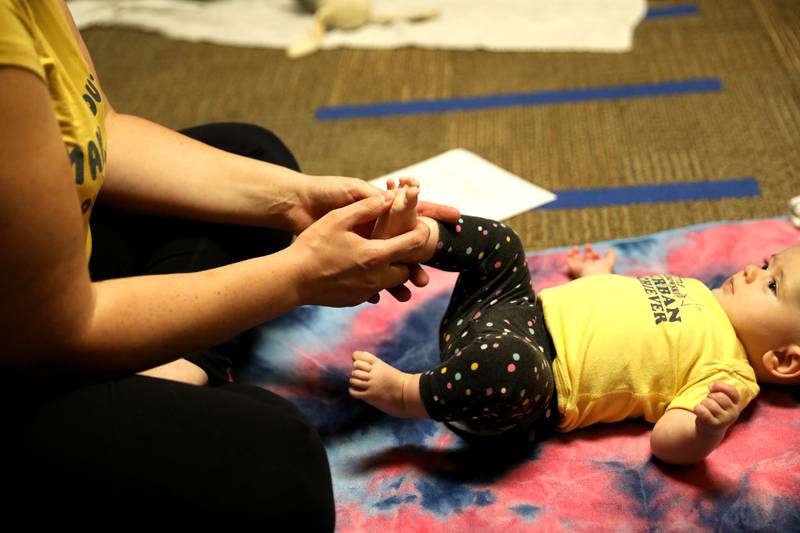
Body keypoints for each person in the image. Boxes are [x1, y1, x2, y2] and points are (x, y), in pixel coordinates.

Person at [0, 0, 458, 525]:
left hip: (39, 305)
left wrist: (299, 200)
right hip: (34, 341)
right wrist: (299, 274)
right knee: (276, 462)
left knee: (252, 156)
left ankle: (165, 372)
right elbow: (53, 329)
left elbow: (103, 129)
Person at [349, 179, 800, 465]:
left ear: (783, 360)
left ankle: (410, 394)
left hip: (521, 385)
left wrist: (706, 430)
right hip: (513, 313)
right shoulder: (702, 291)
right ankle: (415, 238)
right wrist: (599, 277)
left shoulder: (730, 374)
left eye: (772, 285)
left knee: (513, 369)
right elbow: (628, 307)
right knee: (504, 244)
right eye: (766, 262)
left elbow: (667, 443)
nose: (751, 271)